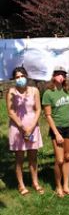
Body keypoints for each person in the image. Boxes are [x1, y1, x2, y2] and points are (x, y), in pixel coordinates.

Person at [42, 66, 69, 197]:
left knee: (68, 157)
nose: (61, 77)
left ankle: (66, 185)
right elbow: (48, 115)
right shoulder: (48, 93)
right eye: (58, 74)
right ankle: (58, 186)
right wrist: (56, 133)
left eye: (63, 74)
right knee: (60, 159)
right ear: (53, 76)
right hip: (57, 128)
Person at [7, 67, 44, 196]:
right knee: (20, 158)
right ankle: (21, 184)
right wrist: (23, 127)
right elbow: (10, 112)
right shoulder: (11, 92)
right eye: (17, 77)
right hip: (17, 129)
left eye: (22, 76)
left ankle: (35, 182)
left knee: (33, 157)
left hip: (33, 127)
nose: (20, 79)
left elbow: (38, 109)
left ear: (26, 76)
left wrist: (32, 127)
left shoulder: (34, 90)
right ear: (14, 79)